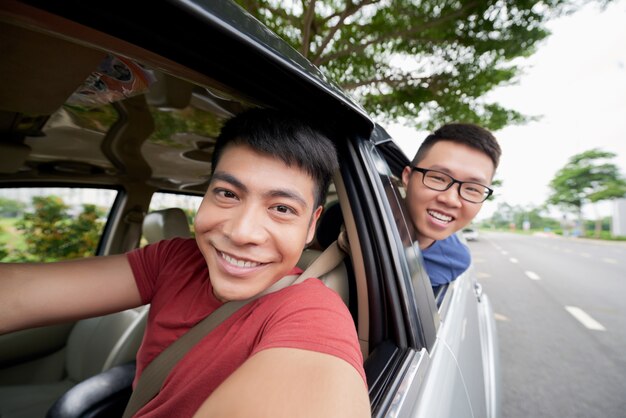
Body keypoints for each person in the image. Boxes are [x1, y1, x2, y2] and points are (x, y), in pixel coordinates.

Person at [0, 108, 370, 417]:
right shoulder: (174, 259)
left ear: (311, 227)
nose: (242, 232)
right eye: (227, 193)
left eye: (282, 209)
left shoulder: (313, 313)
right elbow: (18, 294)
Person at [401, 123, 501, 290]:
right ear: (407, 178)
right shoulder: (353, 221)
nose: (451, 200)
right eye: (439, 178)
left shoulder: (455, 260)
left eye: (472, 189)